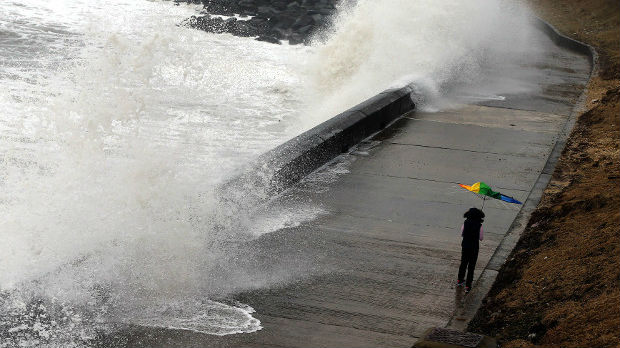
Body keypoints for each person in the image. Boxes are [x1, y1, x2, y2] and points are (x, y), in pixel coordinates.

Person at [456, 207, 484, 293]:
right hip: (474, 248)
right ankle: (468, 285)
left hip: (465, 246)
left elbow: (461, 234)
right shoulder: (480, 226)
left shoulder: (465, 223)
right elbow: (481, 238)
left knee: (463, 263)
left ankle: (460, 280)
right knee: (471, 266)